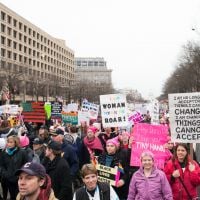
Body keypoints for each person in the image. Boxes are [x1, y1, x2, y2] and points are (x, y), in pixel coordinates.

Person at [0, 135, 28, 200]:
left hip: (19, 179)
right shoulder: (4, 152)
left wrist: (21, 175)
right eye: (8, 142)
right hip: (8, 179)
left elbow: (25, 164)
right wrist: (5, 174)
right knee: (12, 196)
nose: (9, 144)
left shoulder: (22, 152)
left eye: (11, 142)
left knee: (19, 196)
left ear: (15, 143)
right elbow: (1, 165)